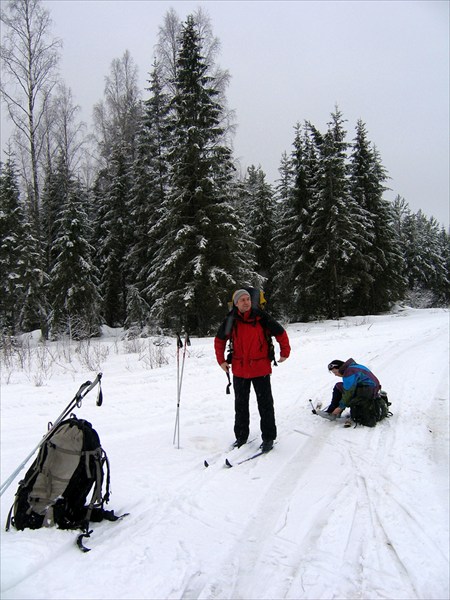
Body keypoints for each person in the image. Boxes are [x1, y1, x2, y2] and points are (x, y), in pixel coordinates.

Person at [214, 289, 291, 452]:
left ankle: (269, 438)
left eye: (247, 299)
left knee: (265, 405)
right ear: (235, 303)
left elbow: (281, 333)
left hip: (261, 368)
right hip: (240, 370)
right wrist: (221, 361)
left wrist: (285, 352)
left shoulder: (261, 317)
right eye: (242, 300)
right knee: (240, 406)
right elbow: (219, 341)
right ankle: (241, 437)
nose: (246, 302)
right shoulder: (231, 319)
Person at [318, 358, 383, 427]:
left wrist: (340, 407)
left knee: (341, 389)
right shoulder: (353, 367)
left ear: (340, 368)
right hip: (370, 390)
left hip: (367, 391)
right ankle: (333, 411)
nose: (335, 375)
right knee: (339, 386)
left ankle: (332, 413)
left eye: (335, 372)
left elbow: (348, 392)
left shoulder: (349, 372)